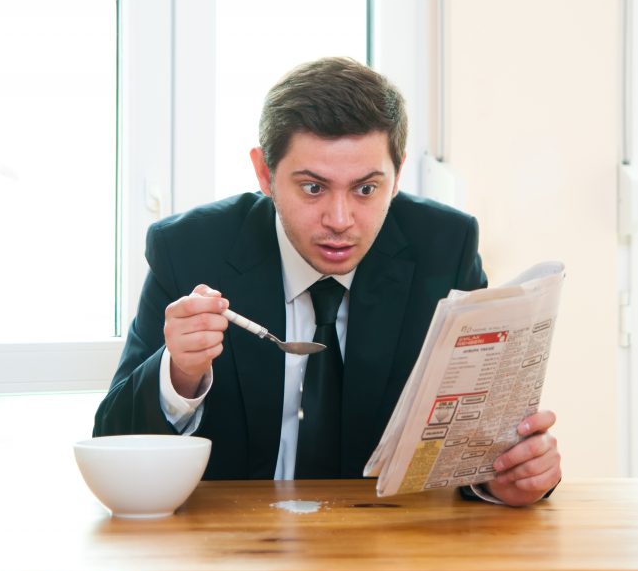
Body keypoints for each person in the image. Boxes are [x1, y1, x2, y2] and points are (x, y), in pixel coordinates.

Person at [94, 57, 561, 506]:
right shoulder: (191, 249)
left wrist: (506, 479)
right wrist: (179, 374)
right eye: (313, 188)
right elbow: (113, 444)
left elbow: (475, 446)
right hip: (229, 548)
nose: (340, 220)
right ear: (264, 172)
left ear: (397, 174)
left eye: (365, 189)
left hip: (387, 546)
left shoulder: (443, 247)